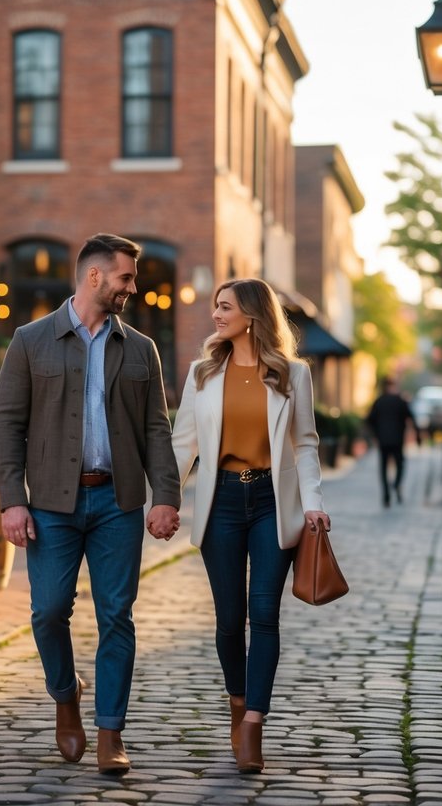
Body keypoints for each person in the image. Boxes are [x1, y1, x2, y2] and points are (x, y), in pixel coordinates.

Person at [0, 233, 181, 776]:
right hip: (50, 504)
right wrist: (12, 501)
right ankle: (65, 694)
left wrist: (165, 495)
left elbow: (155, 428)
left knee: (116, 616)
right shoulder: (31, 340)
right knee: (48, 611)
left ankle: (110, 733)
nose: (132, 288)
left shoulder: (141, 348)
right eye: (126, 278)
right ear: (94, 276)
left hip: (117, 504)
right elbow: (7, 424)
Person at [169, 278, 330, 773]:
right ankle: (237, 703)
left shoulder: (292, 374)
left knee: (264, 613)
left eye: (225, 307)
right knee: (227, 620)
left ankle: (255, 722)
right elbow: (183, 444)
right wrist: (165, 501)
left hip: (270, 502)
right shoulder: (202, 373)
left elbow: (305, 443)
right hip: (220, 502)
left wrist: (313, 504)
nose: (216, 315)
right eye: (216, 306)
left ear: (253, 315)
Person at [365, 376, 422, 508]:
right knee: (400, 464)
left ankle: (386, 495)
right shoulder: (400, 401)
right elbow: (411, 418)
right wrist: (418, 436)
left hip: (383, 440)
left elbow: (369, 420)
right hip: (397, 440)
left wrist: (375, 434)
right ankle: (396, 484)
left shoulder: (378, 402)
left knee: (383, 467)